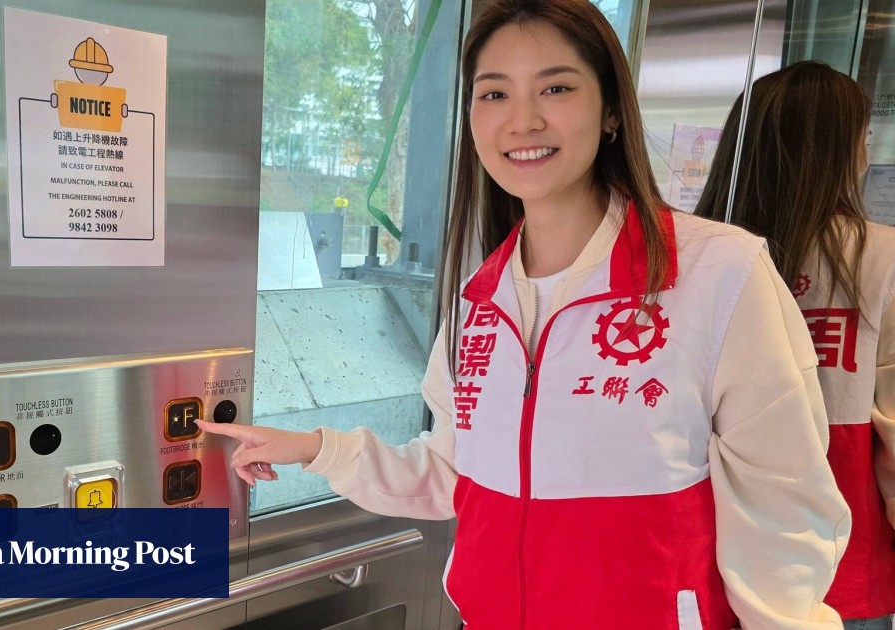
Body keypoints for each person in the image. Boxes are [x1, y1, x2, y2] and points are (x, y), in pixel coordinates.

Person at [200, 1, 852, 627]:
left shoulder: (717, 274)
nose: (522, 120)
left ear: (611, 113)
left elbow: (785, 508)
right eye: (494, 93)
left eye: (556, 89)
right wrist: (315, 449)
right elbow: (453, 476)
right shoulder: (480, 300)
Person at [694, 61, 895, 630]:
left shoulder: (696, 258)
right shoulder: (883, 257)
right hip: (837, 565)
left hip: (708, 555)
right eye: (862, 140)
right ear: (841, 153)